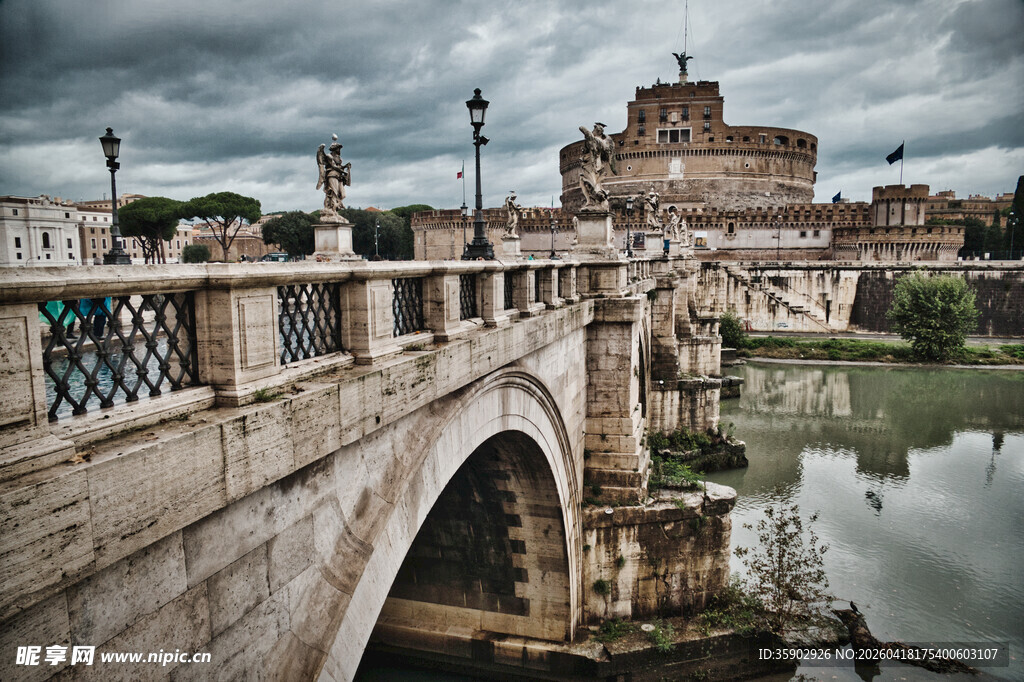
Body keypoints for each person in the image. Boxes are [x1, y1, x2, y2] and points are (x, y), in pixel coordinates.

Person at [316, 135, 352, 219]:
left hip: (339, 177)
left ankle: (336, 208)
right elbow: (334, 166)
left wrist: (346, 166)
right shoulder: (329, 156)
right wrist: (344, 171)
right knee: (334, 194)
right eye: (338, 148)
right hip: (331, 176)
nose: (339, 150)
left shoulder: (339, 158)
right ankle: (332, 211)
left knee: (342, 195)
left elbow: (339, 166)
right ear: (334, 149)